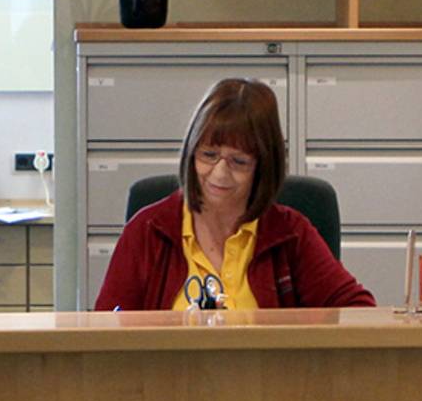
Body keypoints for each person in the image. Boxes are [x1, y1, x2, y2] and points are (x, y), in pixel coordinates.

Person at [94, 77, 374, 312]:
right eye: (208, 155)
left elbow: (358, 310)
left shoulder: (290, 235)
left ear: (263, 167)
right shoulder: (147, 231)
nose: (219, 173)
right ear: (191, 153)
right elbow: (105, 333)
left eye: (238, 162)